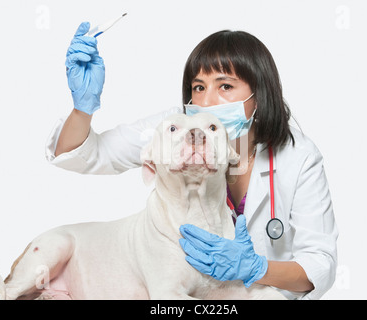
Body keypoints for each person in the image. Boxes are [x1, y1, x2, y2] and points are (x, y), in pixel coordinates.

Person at [45, 22, 338, 299]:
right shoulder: (174, 131)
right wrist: (83, 109)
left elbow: (319, 265)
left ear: (259, 95)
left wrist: (257, 268)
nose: (207, 101)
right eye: (199, 87)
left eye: (225, 86)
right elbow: (88, 154)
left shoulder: (299, 157)